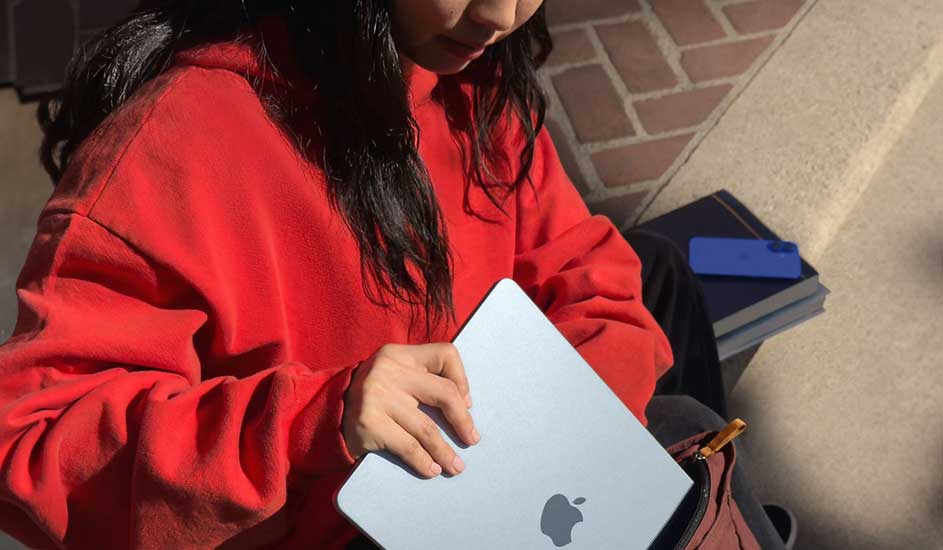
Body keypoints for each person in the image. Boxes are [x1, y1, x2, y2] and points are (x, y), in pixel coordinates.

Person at [0, 1, 788, 549]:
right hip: (332, 527)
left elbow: (589, 270)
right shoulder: (171, 151)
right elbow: (35, 449)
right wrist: (312, 423)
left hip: (496, 486)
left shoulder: (477, 83)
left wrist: (570, 446)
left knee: (661, 280)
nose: (503, 15)